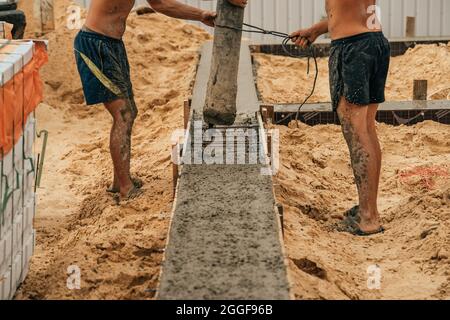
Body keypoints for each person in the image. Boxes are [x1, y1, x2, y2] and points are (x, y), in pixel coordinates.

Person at [74, 0, 221, 201]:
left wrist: (202, 15)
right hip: (96, 45)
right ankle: (126, 188)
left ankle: (119, 181)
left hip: (111, 44)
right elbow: (161, 4)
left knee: (129, 112)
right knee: (123, 114)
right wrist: (202, 15)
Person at [291, 0, 390, 236]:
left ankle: (368, 218)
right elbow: (352, 11)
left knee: (356, 131)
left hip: (353, 47)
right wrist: (315, 30)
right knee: (366, 129)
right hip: (374, 41)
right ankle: (369, 209)